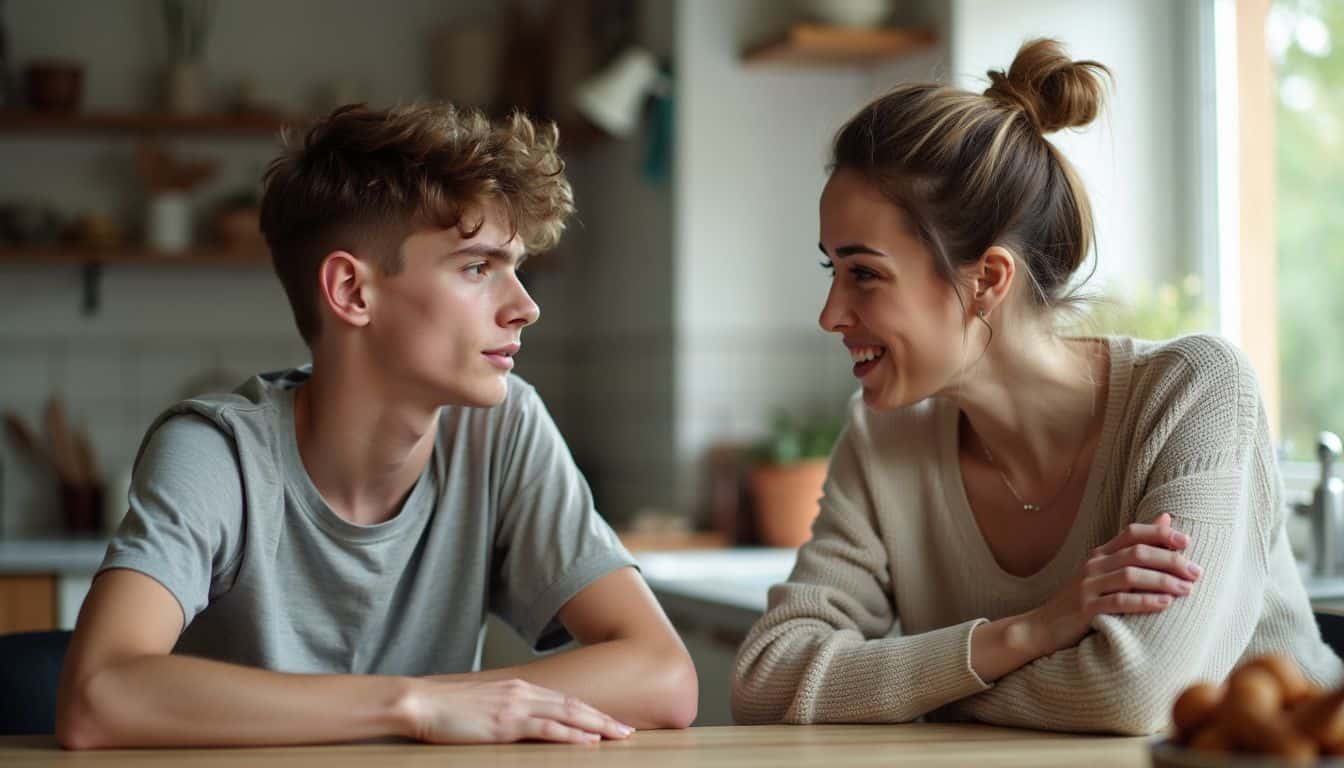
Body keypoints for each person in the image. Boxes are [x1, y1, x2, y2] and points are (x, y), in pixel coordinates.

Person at [731, 39, 1342, 735]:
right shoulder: (882, 438)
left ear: (987, 279)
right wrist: (1030, 632)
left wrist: (909, 686)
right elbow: (768, 677)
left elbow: (1134, 695)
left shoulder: (1194, 395)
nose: (830, 314)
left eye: (863, 274)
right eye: (830, 271)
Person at [55, 104, 697, 749]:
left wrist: (462, 704)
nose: (525, 308)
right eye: (477, 268)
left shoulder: (502, 430)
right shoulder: (216, 452)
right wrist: (416, 703)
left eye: (517, 268)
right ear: (352, 291)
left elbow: (664, 677)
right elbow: (98, 696)